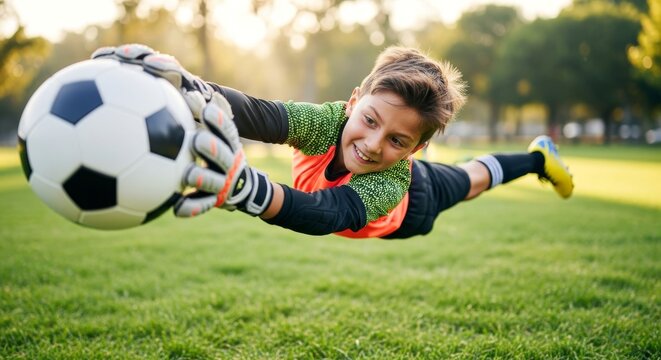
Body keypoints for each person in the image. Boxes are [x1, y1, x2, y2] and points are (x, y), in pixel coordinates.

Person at [92, 44, 574, 239]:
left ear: (415, 149)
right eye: (369, 120)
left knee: (470, 180)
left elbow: (330, 215)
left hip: (415, 203)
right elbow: (260, 114)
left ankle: (536, 159)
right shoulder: (326, 122)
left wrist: (250, 191)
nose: (371, 143)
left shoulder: (393, 178)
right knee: (471, 177)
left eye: (397, 140)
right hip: (395, 172)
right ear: (352, 101)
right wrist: (187, 85)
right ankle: (535, 158)